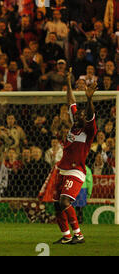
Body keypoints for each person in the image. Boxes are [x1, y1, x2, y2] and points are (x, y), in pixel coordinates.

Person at [53, 68, 97, 245]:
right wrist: (69, 83)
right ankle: (66, 236)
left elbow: (91, 114)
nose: (78, 114)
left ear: (86, 118)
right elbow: (70, 100)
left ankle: (79, 235)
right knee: (57, 204)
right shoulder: (74, 124)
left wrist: (89, 98)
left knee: (65, 201)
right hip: (62, 169)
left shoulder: (89, 131)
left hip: (76, 171)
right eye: (78, 113)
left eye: (82, 114)